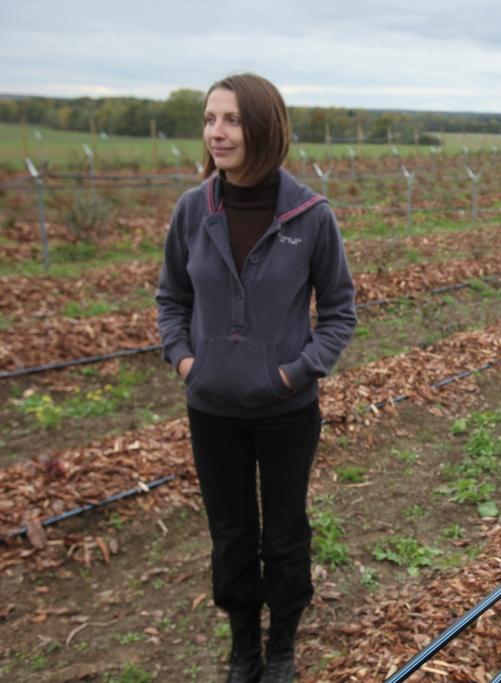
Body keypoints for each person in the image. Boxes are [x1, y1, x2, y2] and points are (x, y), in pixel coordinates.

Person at [156, 73, 357, 683]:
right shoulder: (193, 210)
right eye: (209, 119)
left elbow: (339, 311)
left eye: (232, 120)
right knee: (231, 535)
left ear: (265, 129)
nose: (216, 133)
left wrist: (295, 373)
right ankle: (243, 647)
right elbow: (172, 299)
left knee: (285, 533)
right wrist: (187, 362)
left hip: (286, 413)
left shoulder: (310, 216)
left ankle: (282, 648)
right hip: (212, 411)